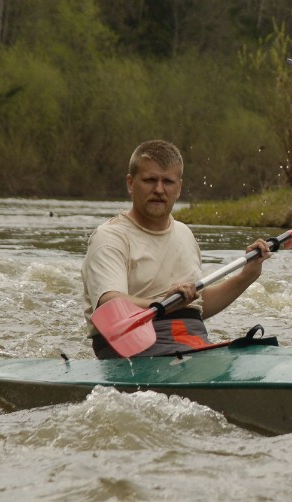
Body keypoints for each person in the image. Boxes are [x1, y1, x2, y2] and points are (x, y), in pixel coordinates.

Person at [81, 139, 272, 359]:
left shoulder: (184, 234)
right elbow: (111, 304)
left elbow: (196, 305)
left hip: (191, 341)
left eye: (168, 182)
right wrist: (163, 304)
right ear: (131, 184)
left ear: (179, 188)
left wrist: (245, 277)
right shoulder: (110, 237)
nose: (159, 190)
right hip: (134, 347)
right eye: (150, 180)